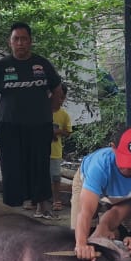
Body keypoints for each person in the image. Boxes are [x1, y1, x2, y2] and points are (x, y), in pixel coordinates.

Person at [0, 22, 63, 215]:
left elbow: (57, 91)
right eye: (16, 39)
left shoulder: (42, 64)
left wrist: (47, 112)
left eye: (24, 39)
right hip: (8, 128)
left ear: (30, 41)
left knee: (40, 165)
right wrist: (3, 115)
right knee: (11, 167)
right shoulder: (2, 66)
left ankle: (42, 205)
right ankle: (12, 208)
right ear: (10, 42)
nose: (20, 43)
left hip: (39, 126)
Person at [72, 126, 131, 261]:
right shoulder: (100, 165)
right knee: (78, 238)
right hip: (88, 187)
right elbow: (85, 211)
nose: (128, 168)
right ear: (113, 148)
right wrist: (81, 244)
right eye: (124, 160)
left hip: (127, 196)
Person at [50, 83, 72, 211]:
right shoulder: (42, 111)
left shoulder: (64, 115)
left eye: (62, 97)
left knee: (55, 178)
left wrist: (58, 132)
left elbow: (68, 132)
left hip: (55, 152)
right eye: (57, 96)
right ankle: (35, 200)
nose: (59, 99)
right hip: (40, 151)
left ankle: (56, 200)